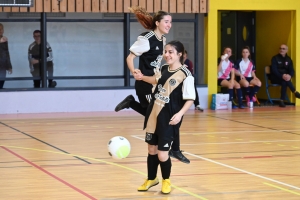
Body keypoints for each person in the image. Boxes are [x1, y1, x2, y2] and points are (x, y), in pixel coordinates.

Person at [114, 7, 190, 164]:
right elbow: (130, 58)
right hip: (146, 85)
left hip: (155, 84)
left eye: (171, 22)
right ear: (158, 23)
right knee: (164, 115)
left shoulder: (162, 40)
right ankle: (175, 150)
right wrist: (134, 71)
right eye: (166, 22)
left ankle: (131, 103)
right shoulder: (146, 38)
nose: (169, 25)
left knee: (162, 115)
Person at [133, 40, 195, 194]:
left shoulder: (186, 74)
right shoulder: (164, 68)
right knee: (151, 149)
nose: (166, 55)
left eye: (170, 52)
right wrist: (141, 77)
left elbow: (190, 99)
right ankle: (151, 178)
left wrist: (180, 115)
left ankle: (166, 180)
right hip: (154, 114)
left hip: (169, 119)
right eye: (165, 52)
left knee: (162, 154)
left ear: (179, 54)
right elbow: (156, 80)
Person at [0, 23, 12, 89]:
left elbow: (7, 53)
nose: (0, 30)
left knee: (1, 84)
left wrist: (9, 66)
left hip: (3, 66)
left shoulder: (4, 40)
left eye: (1, 29)